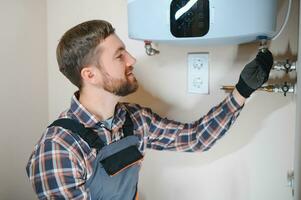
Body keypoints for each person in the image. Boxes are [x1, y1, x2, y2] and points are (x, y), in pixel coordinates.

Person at [26, 20, 273, 200]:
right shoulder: (58, 148)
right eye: (119, 56)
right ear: (90, 75)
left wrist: (241, 91)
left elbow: (195, 139)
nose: (132, 60)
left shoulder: (134, 120)